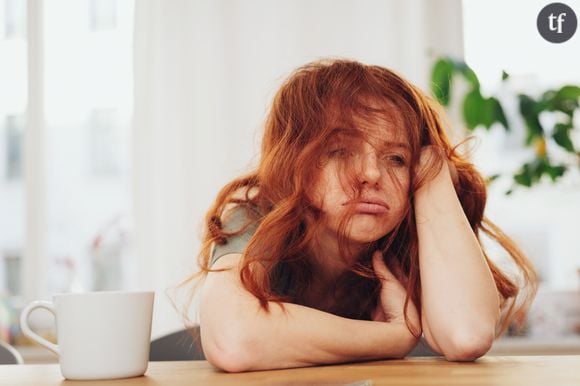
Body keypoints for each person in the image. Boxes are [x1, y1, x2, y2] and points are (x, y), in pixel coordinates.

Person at [187, 59, 537, 372]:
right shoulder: (256, 214)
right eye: (340, 151)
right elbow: (232, 339)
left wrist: (433, 169)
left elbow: (467, 334)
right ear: (296, 163)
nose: (371, 173)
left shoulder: (412, 228)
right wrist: (393, 337)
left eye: (397, 158)